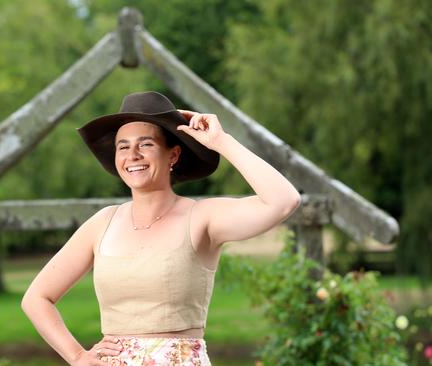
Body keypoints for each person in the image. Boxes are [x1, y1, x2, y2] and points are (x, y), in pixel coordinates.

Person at [21, 91, 301, 365]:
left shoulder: (201, 218)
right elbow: (36, 298)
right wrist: (78, 356)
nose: (133, 155)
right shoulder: (102, 223)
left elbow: (283, 201)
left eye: (146, 144)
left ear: (173, 155)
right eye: (123, 146)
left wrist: (221, 142)